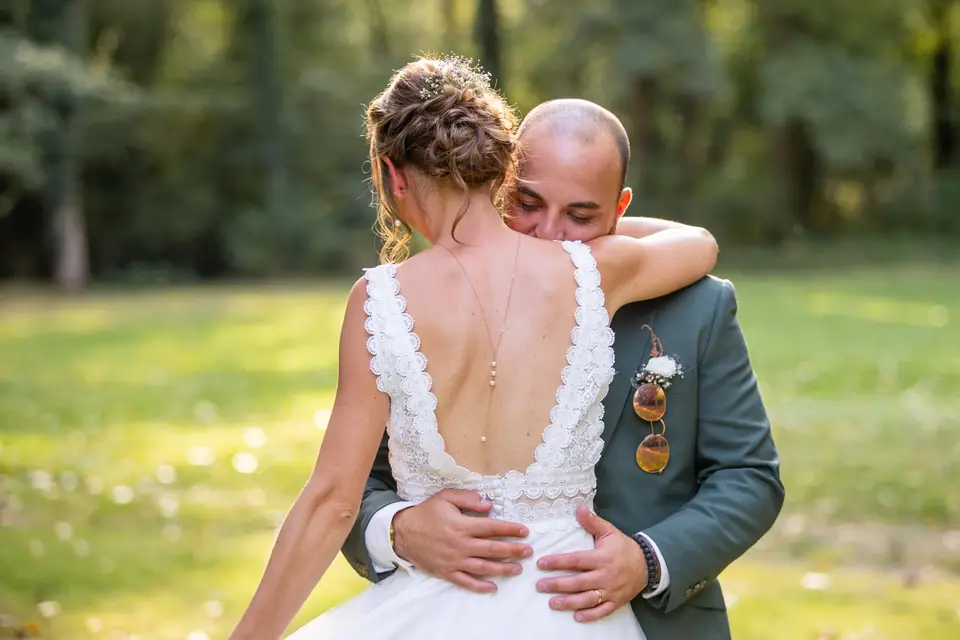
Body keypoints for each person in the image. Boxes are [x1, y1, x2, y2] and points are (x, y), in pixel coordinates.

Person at [228, 57, 717, 640]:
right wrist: (598, 225)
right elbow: (699, 242)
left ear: (393, 173)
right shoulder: (595, 272)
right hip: (573, 610)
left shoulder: (378, 301)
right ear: (499, 168)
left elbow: (332, 501)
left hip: (437, 610)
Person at [341, 98, 785, 638]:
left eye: (580, 216)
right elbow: (352, 482)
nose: (548, 232)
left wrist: (649, 562)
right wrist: (398, 529)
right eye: (526, 203)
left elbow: (749, 476)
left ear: (618, 210)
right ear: (497, 184)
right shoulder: (429, 300)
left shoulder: (697, 308)